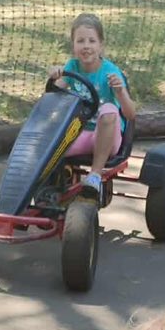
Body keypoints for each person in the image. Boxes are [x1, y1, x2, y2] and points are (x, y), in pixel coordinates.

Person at [48, 13, 137, 201]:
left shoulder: (110, 72)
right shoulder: (72, 67)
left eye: (92, 41)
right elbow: (52, 97)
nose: (86, 46)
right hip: (79, 133)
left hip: (106, 138)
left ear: (100, 45)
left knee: (109, 110)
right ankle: (50, 184)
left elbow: (130, 114)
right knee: (47, 148)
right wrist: (55, 78)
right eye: (80, 41)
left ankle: (95, 175)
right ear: (73, 45)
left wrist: (120, 92)